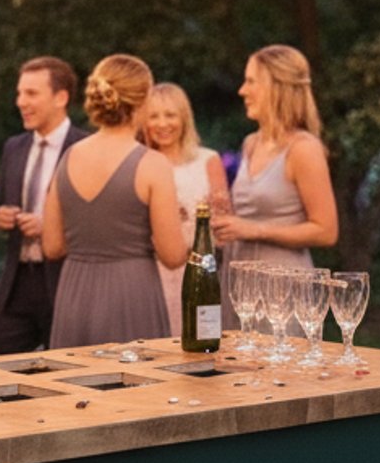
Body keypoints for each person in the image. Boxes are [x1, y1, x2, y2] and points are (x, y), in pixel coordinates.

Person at [42, 55, 186, 348]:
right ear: (142, 101)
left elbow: (52, 245)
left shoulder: (68, 157)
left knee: (74, 388)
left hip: (74, 294)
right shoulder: (152, 164)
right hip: (132, 294)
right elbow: (173, 256)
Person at [211, 45, 338, 327]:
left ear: (276, 86)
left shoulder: (304, 148)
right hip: (238, 283)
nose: (242, 91)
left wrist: (253, 229)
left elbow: (326, 231)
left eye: (251, 81)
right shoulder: (250, 143)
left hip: (283, 288)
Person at [0, 57, 89, 353]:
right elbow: (0, 201)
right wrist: (0, 216)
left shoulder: (86, 150)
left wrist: (51, 228)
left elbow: (96, 222)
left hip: (64, 282)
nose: (21, 102)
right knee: (0, 374)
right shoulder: (13, 147)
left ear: (61, 97)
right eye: (20, 93)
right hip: (17, 282)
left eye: (31, 94)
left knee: (67, 373)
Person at [141, 82, 230, 337]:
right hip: (154, 270)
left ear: (184, 118)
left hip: (200, 270)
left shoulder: (208, 160)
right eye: (154, 116)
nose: (162, 124)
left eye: (170, 115)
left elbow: (224, 221)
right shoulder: (141, 162)